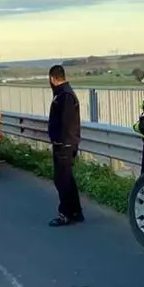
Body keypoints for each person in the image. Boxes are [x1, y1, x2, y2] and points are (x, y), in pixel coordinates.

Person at [46, 64, 83, 226]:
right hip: (65, 143)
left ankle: (66, 213)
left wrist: (60, 140)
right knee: (67, 179)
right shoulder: (62, 94)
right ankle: (75, 211)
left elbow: (66, 123)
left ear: (53, 79)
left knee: (62, 180)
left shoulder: (65, 96)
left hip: (65, 144)